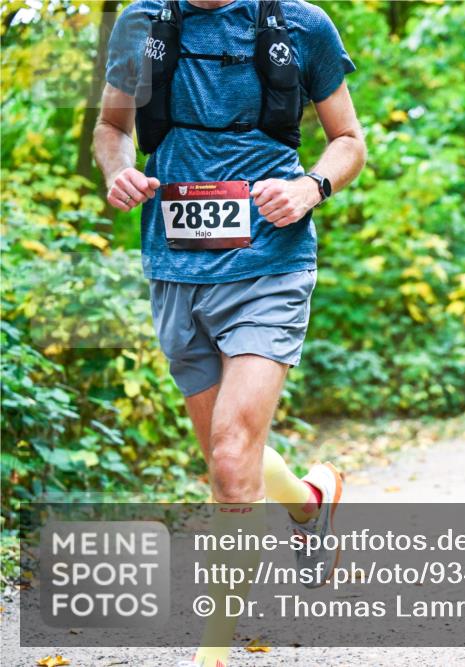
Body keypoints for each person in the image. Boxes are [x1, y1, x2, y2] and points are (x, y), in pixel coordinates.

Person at [95, 1, 365, 665]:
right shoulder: (141, 23)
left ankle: (212, 652)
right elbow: (112, 126)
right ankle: (309, 502)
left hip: (270, 263)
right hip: (176, 267)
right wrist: (118, 170)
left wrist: (310, 188)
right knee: (228, 457)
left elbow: (349, 140)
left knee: (231, 454)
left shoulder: (302, 25)